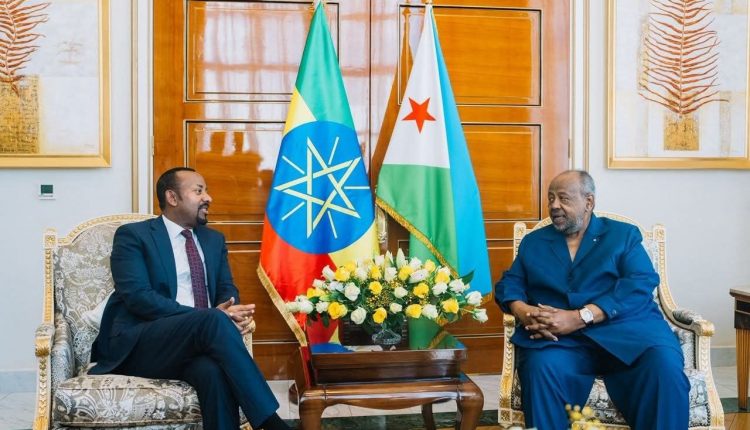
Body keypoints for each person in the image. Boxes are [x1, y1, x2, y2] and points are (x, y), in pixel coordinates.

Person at [90, 167, 291, 430]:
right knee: (212, 320)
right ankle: (271, 422)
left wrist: (229, 308)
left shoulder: (213, 240)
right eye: (198, 191)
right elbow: (138, 298)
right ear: (172, 197)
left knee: (212, 371)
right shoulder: (134, 236)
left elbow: (226, 289)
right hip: (143, 343)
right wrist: (209, 316)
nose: (208, 198)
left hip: (197, 344)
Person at [495, 170, 688, 430]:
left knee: (664, 367)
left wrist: (581, 316)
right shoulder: (534, 242)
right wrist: (523, 311)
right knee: (540, 367)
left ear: (589, 202)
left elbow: (640, 282)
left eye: (563, 198)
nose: (554, 205)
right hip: (561, 340)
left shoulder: (622, 235)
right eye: (551, 198)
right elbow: (510, 283)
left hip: (627, 333)